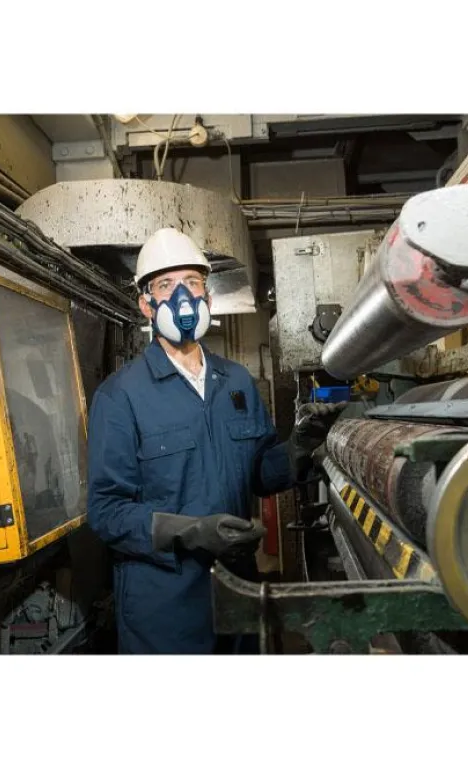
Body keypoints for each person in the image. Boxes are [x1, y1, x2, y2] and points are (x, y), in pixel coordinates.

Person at [86, 227, 345, 654]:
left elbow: (259, 472)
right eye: (165, 285)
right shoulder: (120, 396)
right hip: (165, 610)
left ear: (207, 297)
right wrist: (190, 532)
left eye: (191, 282)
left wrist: (298, 447)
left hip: (238, 593)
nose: (181, 296)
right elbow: (106, 512)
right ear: (146, 304)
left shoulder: (236, 382)